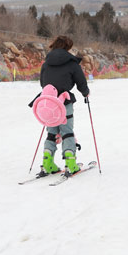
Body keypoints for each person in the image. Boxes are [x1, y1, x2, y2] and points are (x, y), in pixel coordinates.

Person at [39, 35, 90, 175]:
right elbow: (81, 82)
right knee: (67, 132)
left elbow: (43, 83)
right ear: (67, 47)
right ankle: (71, 163)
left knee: (51, 133)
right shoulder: (72, 63)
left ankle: (47, 163)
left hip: (48, 103)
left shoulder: (46, 63)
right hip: (64, 102)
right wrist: (86, 93)